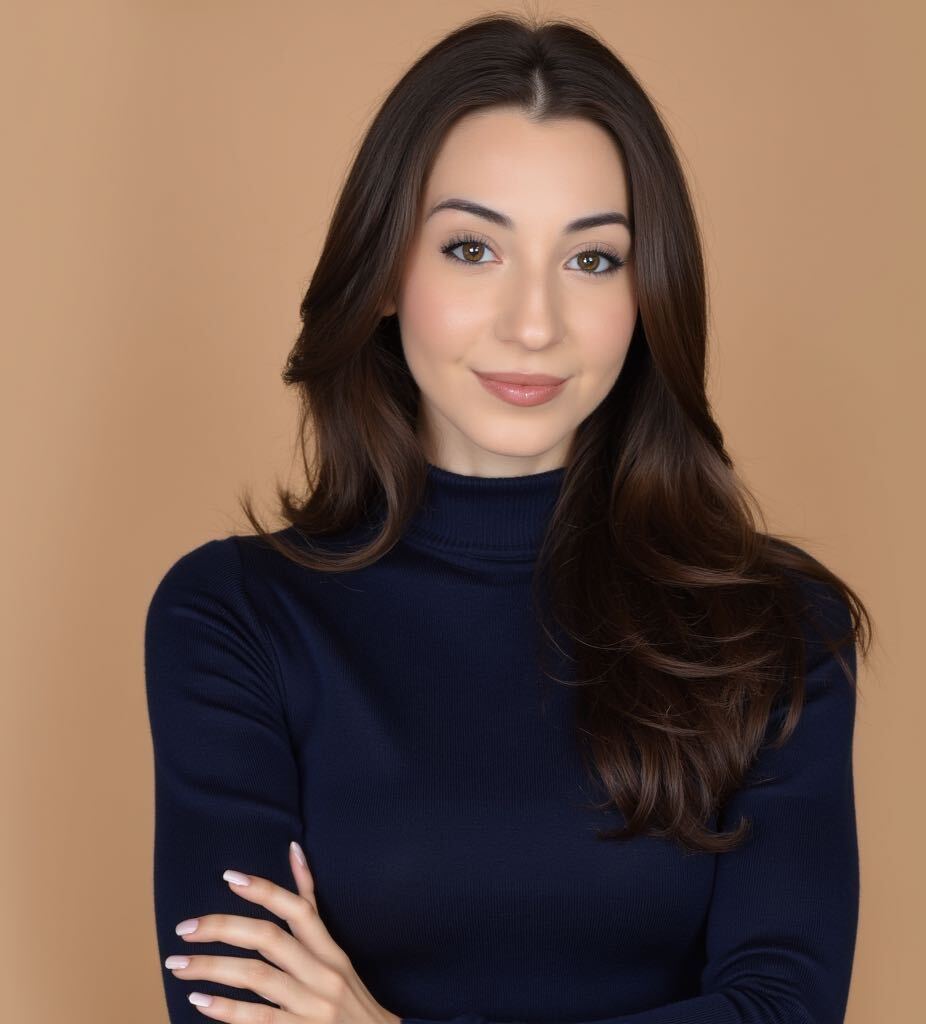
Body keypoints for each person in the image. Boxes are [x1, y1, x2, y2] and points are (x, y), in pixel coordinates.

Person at [144, 12, 873, 1024]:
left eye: (592, 260)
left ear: (649, 294)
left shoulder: (777, 627)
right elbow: (234, 1010)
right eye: (472, 248)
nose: (533, 323)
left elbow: (784, 1010)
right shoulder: (235, 619)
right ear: (385, 273)